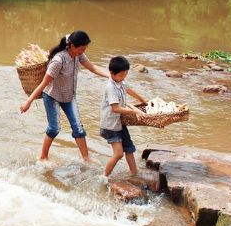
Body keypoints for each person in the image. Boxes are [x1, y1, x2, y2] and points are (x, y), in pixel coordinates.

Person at [19, 30, 108, 162]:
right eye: (81, 49)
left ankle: (86, 158)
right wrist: (28, 102)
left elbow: (93, 68)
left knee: (78, 128)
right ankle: (43, 157)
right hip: (52, 96)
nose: (83, 52)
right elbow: (44, 84)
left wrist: (112, 76)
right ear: (72, 46)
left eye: (85, 49)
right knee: (54, 128)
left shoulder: (78, 55)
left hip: (69, 96)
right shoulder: (58, 61)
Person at [100, 56, 148, 177]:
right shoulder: (110, 87)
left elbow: (129, 90)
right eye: (121, 75)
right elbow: (115, 108)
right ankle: (104, 177)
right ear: (111, 73)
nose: (124, 77)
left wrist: (142, 100)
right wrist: (135, 112)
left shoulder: (120, 81)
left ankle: (134, 173)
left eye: (126, 74)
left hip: (120, 124)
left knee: (129, 148)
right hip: (110, 126)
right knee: (119, 154)